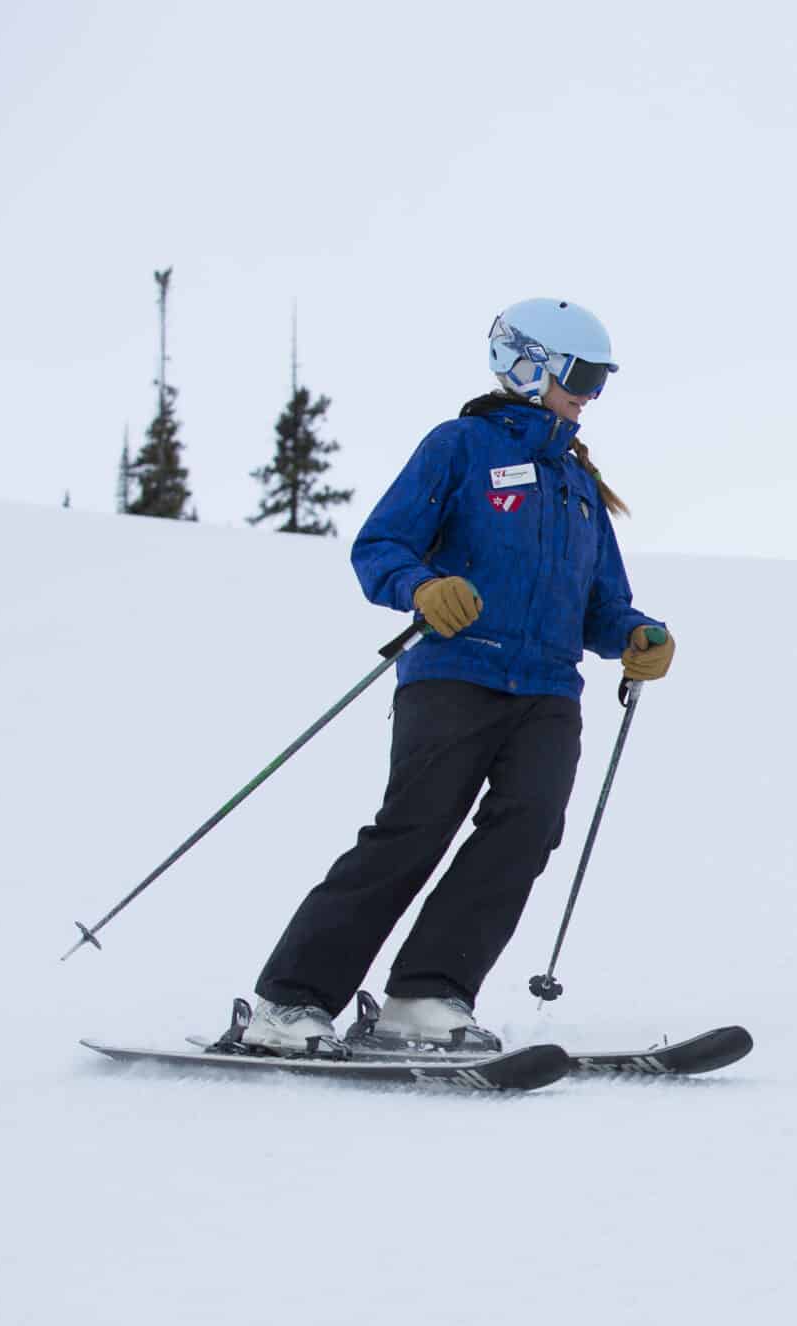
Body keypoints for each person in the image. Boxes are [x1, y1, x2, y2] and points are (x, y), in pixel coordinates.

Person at [241, 298, 674, 1054]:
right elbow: (380, 545)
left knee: (527, 829)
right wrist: (421, 588)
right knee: (413, 832)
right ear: (529, 364)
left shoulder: (577, 486)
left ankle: (426, 993)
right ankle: (290, 1002)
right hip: (454, 674)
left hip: (546, 692)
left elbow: (601, 602)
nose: (591, 392)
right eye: (582, 374)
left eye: (602, 378)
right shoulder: (459, 448)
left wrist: (634, 633)